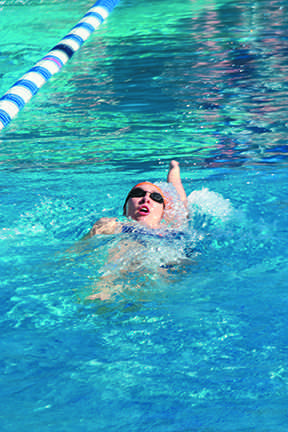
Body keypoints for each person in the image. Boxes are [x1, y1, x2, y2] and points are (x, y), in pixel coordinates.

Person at [84, 160, 188, 239]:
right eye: (138, 194)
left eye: (156, 197)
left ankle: (174, 169)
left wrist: (174, 170)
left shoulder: (175, 227)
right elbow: (79, 249)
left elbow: (179, 198)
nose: (146, 198)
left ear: (163, 213)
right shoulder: (111, 225)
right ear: (125, 209)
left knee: (183, 208)